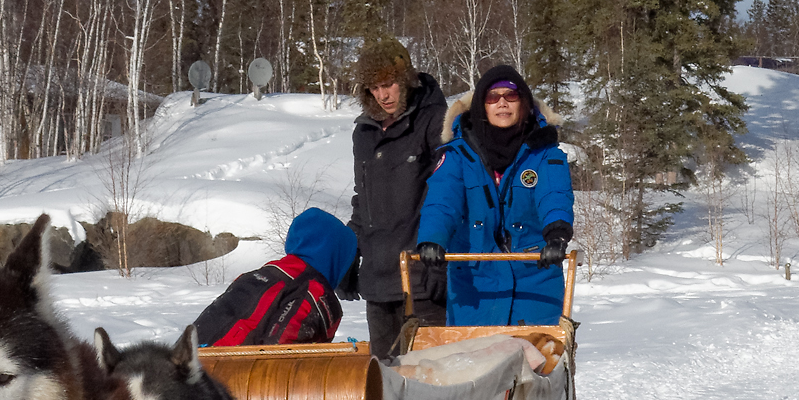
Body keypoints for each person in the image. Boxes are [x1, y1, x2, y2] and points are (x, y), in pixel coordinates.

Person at [416, 64, 574, 327]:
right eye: (492, 97)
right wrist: (433, 239)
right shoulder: (457, 155)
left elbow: (554, 195)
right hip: (476, 285)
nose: (502, 103)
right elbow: (443, 201)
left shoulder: (546, 152)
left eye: (511, 95)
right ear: (482, 105)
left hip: (534, 280)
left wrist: (556, 234)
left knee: (536, 362)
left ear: (523, 102)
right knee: (474, 364)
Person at [345, 37, 451, 359]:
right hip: (378, 282)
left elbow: (448, 194)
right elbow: (362, 201)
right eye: (374, 87)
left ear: (405, 80)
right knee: (387, 390)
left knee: (431, 381)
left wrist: (440, 255)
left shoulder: (436, 122)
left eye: (389, 84)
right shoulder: (364, 133)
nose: (383, 95)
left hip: (422, 277)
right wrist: (350, 253)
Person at [193, 208, 357, 347]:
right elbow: (281, 355)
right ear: (336, 257)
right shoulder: (316, 293)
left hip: (186, 367)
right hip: (233, 377)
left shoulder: (260, 274)